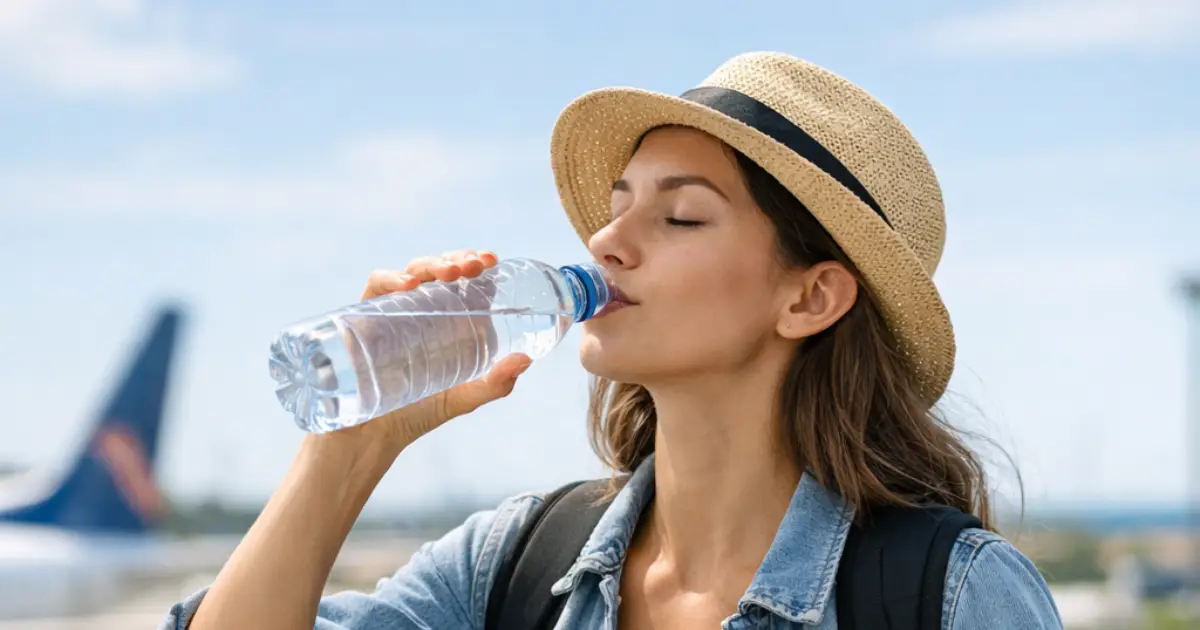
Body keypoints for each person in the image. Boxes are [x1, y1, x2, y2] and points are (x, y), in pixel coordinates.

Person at [163, 52, 1063, 629]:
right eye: (617, 205)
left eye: (679, 216)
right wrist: (347, 454)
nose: (605, 243)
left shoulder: (948, 596)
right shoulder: (512, 567)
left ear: (810, 296)